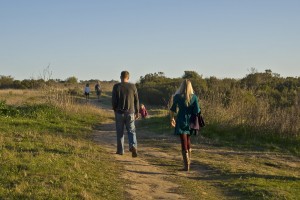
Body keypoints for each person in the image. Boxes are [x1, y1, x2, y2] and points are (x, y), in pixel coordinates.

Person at [170, 79, 201, 171]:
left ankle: (186, 165)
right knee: (188, 139)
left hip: (181, 119)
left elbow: (173, 109)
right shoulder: (194, 97)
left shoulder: (177, 97)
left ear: (182, 86)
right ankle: (189, 162)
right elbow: (197, 111)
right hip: (191, 120)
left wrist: (172, 119)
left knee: (183, 141)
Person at [112, 71, 139, 157]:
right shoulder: (133, 86)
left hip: (119, 113)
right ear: (128, 77)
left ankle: (120, 151)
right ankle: (133, 146)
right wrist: (137, 111)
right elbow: (136, 100)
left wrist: (115, 109)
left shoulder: (116, 87)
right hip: (130, 113)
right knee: (131, 131)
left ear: (120, 77)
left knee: (120, 132)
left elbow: (114, 100)